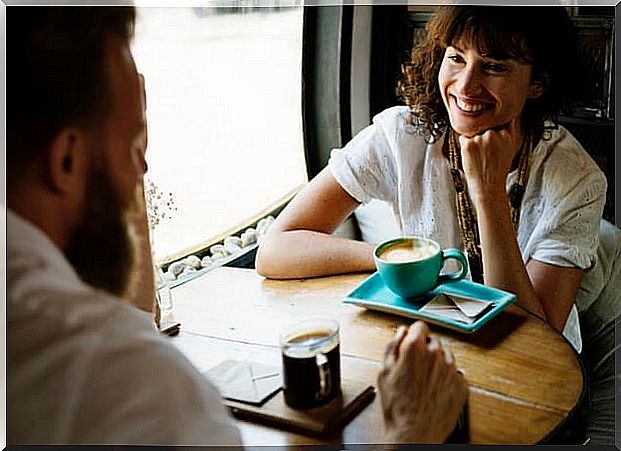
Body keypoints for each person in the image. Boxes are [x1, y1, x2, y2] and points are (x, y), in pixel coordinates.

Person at [7, 6, 467, 445]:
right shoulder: (137, 387)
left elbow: (134, 319)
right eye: (133, 148)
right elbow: (269, 251)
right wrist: (410, 433)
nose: (142, 173)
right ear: (66, 160)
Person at [256, 6, 607, 353]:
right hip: (432, 345)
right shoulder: (402, 136)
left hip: (539, 372)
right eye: (456, 58)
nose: (466, 85)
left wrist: (488, 192)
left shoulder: (578, 179)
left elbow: (534, 344)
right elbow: (275, 250)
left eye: (494, 66)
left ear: (537, 83)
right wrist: (402, 262)